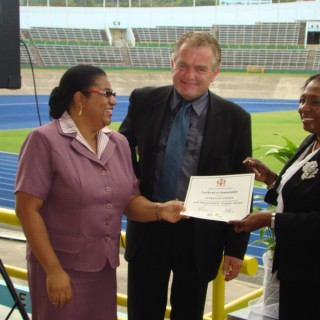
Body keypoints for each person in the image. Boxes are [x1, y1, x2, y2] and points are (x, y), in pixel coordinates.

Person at [14, 64, 185, 320]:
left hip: (103, 269)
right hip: (60, 269)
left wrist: (160, 210)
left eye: (112, 93)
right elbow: (27, 210)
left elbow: (129, 200)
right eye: (106, 93)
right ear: (80, 99)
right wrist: (53, 270)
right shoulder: (44, 141)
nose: (114, 100)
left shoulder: (118, 143)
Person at [119, 31, 252, 320]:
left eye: (201, 68)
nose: (189, 75)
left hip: (200, 237)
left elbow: (241, 186)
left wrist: (236, 248)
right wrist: (133, 188)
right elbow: (121, 149)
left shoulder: (236, 119)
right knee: (141, 313)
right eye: (183, 65)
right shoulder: (143, 100)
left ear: (214, 73)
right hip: (149, 225)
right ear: (171, 63)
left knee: (188, 314)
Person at [229, 73, 320, 320]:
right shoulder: (311, 142)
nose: (304, 108)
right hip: (295, 269)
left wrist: (269, 220)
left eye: (315, 101)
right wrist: (271, 180)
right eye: (302, 100)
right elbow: (303, 196)